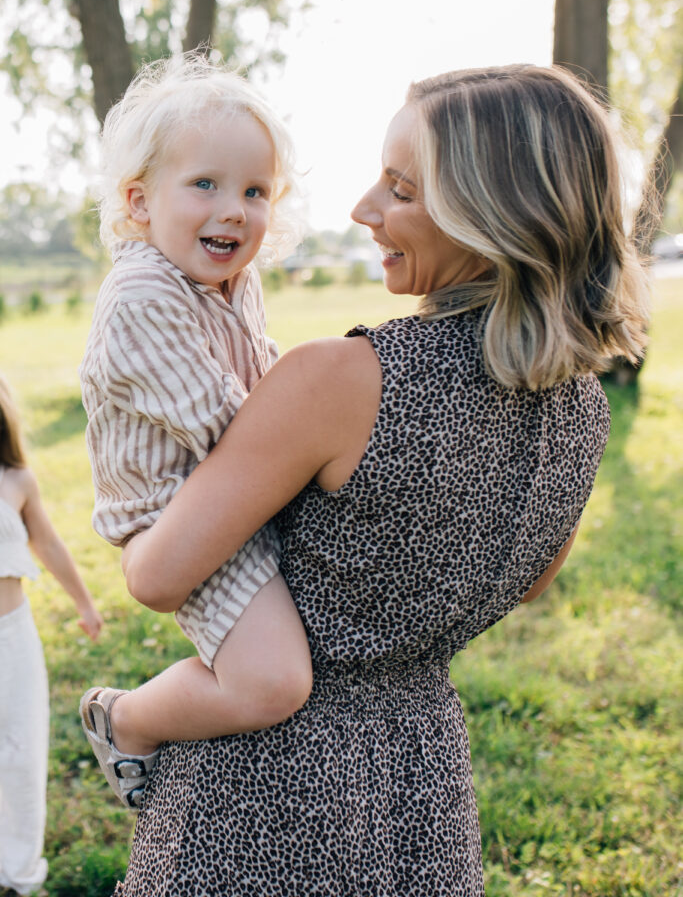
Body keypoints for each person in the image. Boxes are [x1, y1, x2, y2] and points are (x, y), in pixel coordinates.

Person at [112, 64, 649, 895]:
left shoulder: (339, 381)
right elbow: (530, 584)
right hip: (422, 790)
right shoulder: (581, 409)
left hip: (261, 798)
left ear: (490, 217)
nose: (363, 209)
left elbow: (156, 573)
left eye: (399, 190)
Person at [78, 53, 311, 812]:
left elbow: (263, 378)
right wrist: (320, 446)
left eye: (254, 190)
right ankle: (128, 716)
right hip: (177, 514)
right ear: (140, 203)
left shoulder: (228, 281)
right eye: (204, 184)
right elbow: (228, 426)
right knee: (272, 680)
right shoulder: (143, 294)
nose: (235, 209)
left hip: (232, 489)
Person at [0, 373, 102, 896]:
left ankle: (19, 871)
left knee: (19, 749)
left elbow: (51, 546)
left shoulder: (16, 479)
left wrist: (84, 602)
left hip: (10, 636)